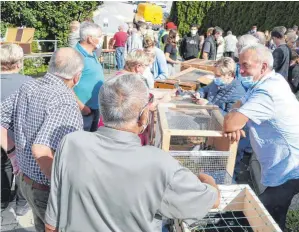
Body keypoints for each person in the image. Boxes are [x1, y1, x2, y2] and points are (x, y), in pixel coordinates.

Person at [44, 73, 220, 232]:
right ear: (144, 116)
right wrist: (207, 179)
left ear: (103, 113)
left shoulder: (71, 143)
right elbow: (212, 200)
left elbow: (51, 224)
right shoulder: (159, 164)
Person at [223, 44, 299, 230]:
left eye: (246, 65)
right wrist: (237, 115)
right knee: (275, 212)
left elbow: (231, 123)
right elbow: (237, 110)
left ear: (263, 67)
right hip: (290, 163)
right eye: (240, 65)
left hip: (298, 165)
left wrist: (235, 117)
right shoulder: (268, 81)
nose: (241, 70)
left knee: (255, 212)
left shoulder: (267, 91)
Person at [1, 47, 84, 232]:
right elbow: (40, 150)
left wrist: (14, 154)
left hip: (26, 180)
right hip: (46, 188)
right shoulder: (64, 100)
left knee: (40, 225)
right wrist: (60, 185)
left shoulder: (28, 85)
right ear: (77, 77)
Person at [0, 44, 31, 215]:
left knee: (2, 166)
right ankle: (21, 204)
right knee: (22, 168)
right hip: (20, 136)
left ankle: (3, 200)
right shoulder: (29, 84)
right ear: (19, 63)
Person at [74, 22, 105, 132]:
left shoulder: (91, 53)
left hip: (94, 108)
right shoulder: (75, 55)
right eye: (100, 36)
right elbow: (65, 85)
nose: (102, 39)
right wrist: (82, 107)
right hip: (82, 111)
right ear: (90, 39)